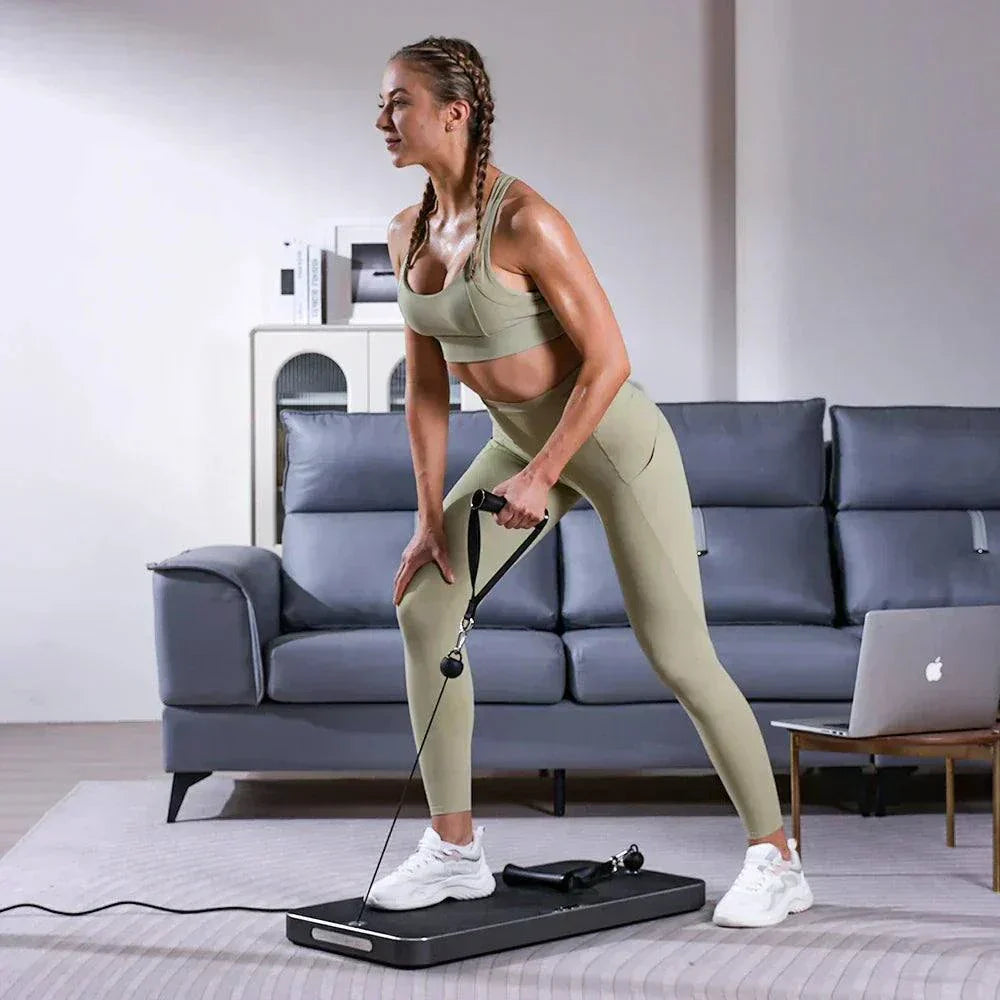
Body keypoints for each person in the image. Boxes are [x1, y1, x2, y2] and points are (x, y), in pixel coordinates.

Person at [371, 35, 813, 929]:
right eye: (381, 105)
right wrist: (430, 517)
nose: (383, 120)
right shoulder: (407, 233)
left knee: (679, 654)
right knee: (426, 601)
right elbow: (424, 389)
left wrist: (546, 472)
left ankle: (777, 856)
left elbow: (609, 360)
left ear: (453, 112)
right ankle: (456, 852)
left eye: (399, 102)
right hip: (518, 441)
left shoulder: (528, 221)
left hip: (610, 441)